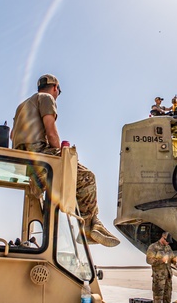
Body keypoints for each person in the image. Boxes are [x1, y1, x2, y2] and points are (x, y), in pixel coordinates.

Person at [10, 73, 119, 247]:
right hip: (39, 154)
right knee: (87, 177)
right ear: (55, 88)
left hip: (22, 161)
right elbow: (51, 131)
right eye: (58, 91)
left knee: (55, 195)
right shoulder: (45, 98)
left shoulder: (21, 106)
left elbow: (11, 135)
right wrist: (62, 155)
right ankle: (90, 226)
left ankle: (58, 234)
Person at [145, 232, 177, 303]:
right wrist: (160, 260)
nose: (168, 243)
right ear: (163, 237)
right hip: (159, 277)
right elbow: (149, 260)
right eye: (167, 241)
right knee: (158, 297)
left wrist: (175, 261)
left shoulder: (168, 247)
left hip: (168, 276)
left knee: (168, 296)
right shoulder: (153, 247)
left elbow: (172, 257)